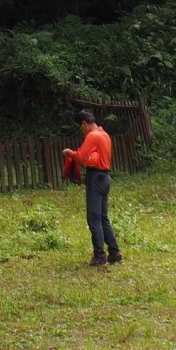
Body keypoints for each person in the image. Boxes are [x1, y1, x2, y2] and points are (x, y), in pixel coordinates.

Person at [62, 109, 123, 267]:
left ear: (84, 123)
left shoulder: (92, 136)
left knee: (93, 218)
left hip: (95, 178)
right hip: (106, 177)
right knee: (103, 217)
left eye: (80, 127)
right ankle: (115, 253)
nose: (81, 131)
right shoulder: (105, 135)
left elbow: (81, 157)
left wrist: (70, 153)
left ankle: (99, 255)